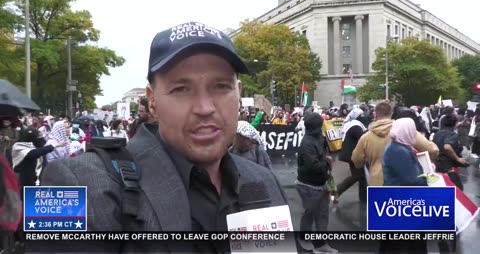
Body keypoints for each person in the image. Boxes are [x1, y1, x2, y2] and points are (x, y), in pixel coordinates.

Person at [41, 21, 288, 252]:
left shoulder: (266, 181)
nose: (204, 107)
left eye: (221, 86)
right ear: (153, 101)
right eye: (181, 89)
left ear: (238, 93)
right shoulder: (68, 184)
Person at [352, 102, 438, 187]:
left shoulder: (365, 137)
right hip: (401, 184)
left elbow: (357, 161)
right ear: (392, 113)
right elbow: (433, 150)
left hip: (376, 184)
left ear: (375, 114)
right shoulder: (405, 130)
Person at [380, 117, 428, 254]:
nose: (414, 133)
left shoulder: (399, 147)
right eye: (413, 130)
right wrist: (427, 179)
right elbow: (412, 179)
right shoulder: (398, 151)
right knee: (402, 244)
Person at [296, 112, 337, 254]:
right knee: (310, 212)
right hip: (308, 184)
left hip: (321, 181)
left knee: (323, 214)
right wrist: (327, 162)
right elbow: (313, 166)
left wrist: (326, 158)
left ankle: (321, 243)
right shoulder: (307, 143)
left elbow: (323, 154)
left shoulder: (319, 138)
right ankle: (304, 239)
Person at [337, 108, 367, 202]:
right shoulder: (356, 126)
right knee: (357, 175)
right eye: (361, 115)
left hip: (350, 154)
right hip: (353, 155)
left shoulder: (351, 125)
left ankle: (364, 198)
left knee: (361, 176)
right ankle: (337, 190)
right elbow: (362, 139)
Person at [433, 114, 466, 190]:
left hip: (437, 163)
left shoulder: (438, 133)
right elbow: (447, 147)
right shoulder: (452, 134)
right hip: (448, 166)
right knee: (457, 189)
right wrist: (457, 159)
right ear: (455, 123)